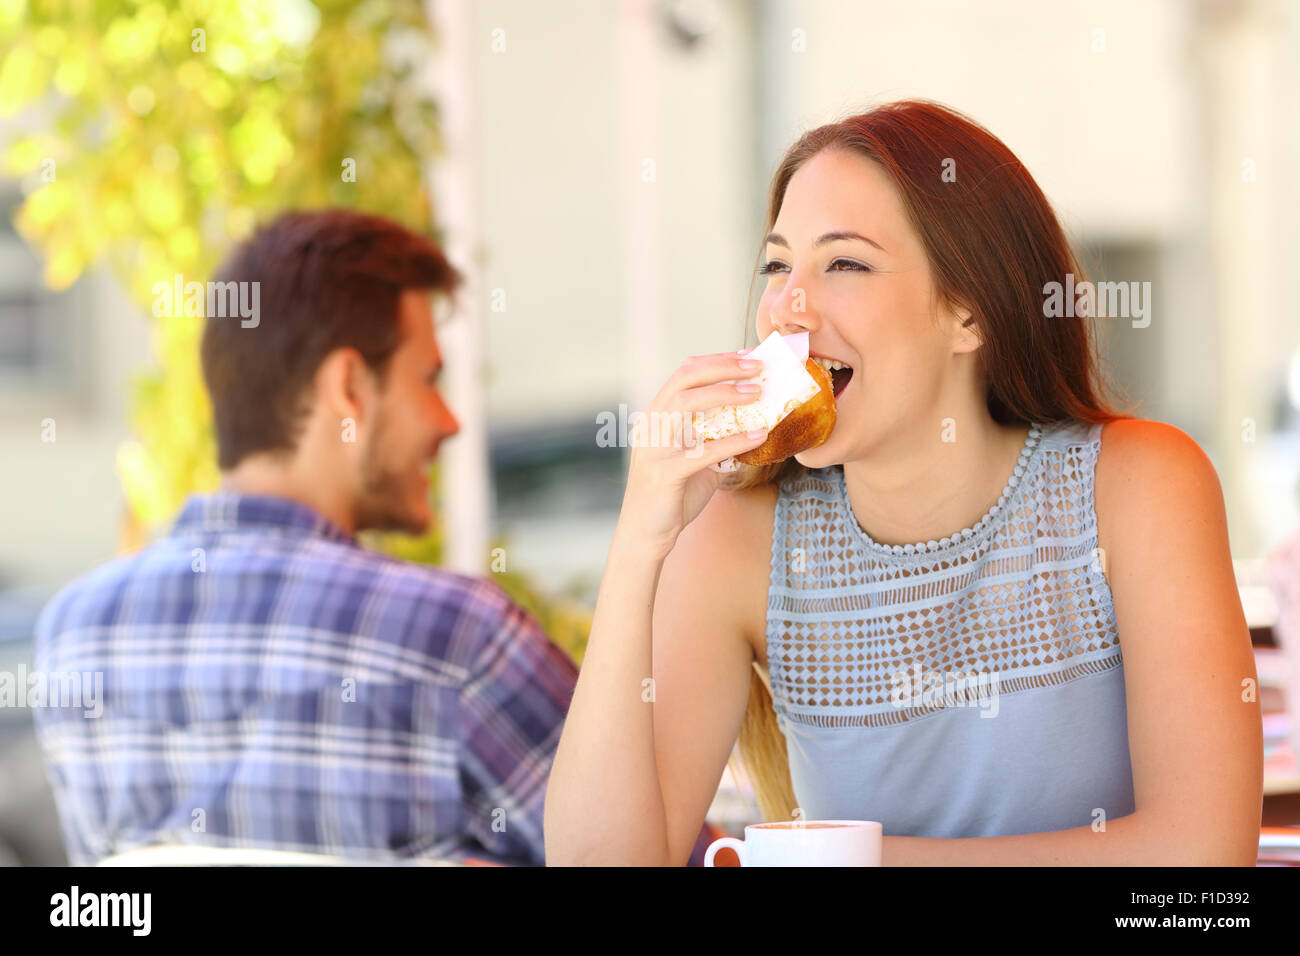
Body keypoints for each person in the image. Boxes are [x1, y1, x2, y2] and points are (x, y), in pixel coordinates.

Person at [545, 100, 1263, 865]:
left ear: (968, 314)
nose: (789, 307)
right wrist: (640, 542)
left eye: (844, 263)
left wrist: (860, 861)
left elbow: (1205, 859)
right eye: (778, 265)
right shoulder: (737, 538)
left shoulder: (1136, 485)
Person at [32, 210, 582, 865]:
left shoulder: (73, 638)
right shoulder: (457, 637)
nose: (449, 420)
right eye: (428, 378)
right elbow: (648, 853)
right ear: (349, 387)